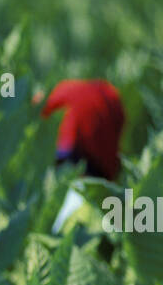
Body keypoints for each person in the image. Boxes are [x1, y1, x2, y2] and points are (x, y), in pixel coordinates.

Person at [39, 79, 126, 234]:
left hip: (69, 156)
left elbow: (39, 107)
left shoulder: (66, 89)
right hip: (95, 168)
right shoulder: (110, 99)